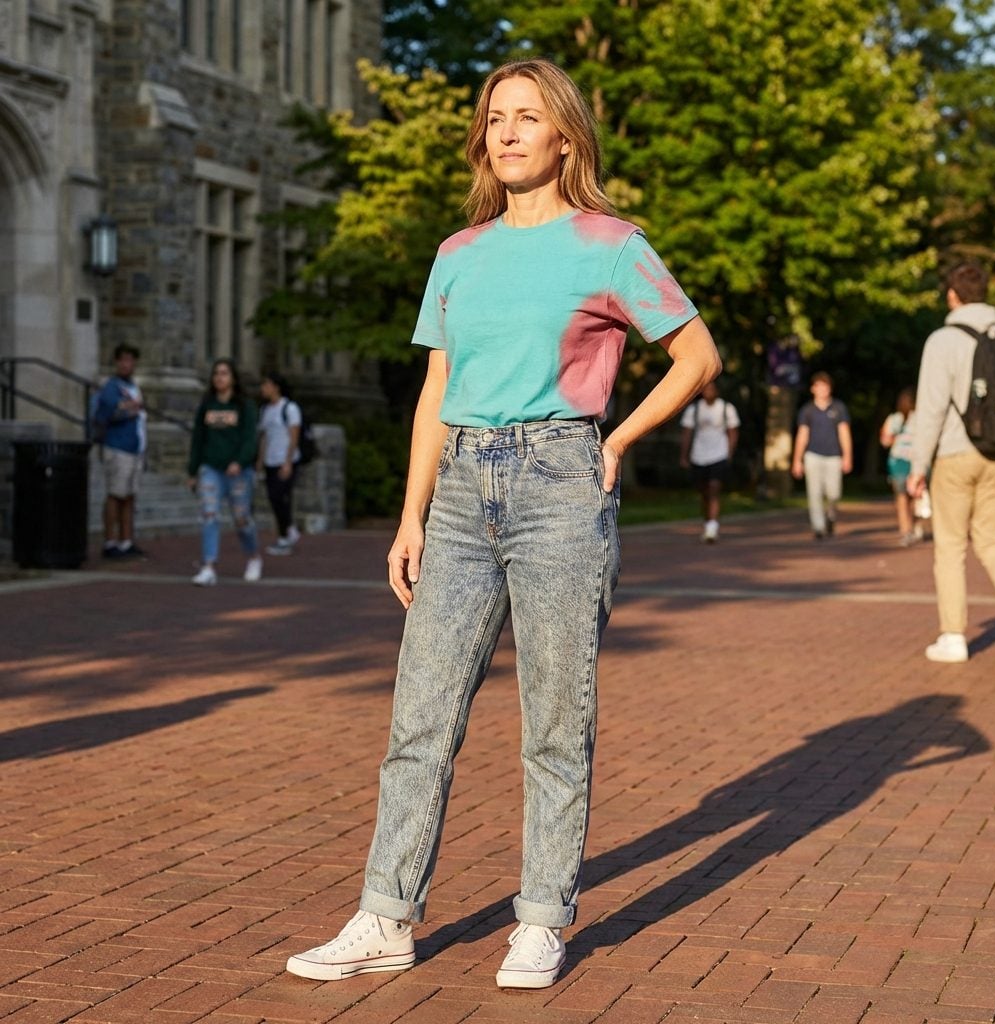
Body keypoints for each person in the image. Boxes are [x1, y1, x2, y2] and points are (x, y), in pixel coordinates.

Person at [284, 58, 721, 990]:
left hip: (561, 481)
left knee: (555, 723)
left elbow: (696, 355)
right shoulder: (459, 253)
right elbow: (435, 392)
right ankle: (386, 917)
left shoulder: (609, 244)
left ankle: (541, 920)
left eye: (528, 117)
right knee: (420, 718)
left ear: (566, 134)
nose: (509, 132)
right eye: (495, 118)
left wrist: (617, 443)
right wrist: (410, 516)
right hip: (458, 499)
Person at [907, 262, 995, 664]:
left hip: (956, 454)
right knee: (992, 538)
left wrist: (918, 465)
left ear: (952, 295)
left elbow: (932, 407)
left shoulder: (944, 339)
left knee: (951, 545)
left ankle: (953, 636)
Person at [187, 359, 262, 586]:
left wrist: (240, 461)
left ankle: (253, 557)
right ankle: (209, 566)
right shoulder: (207, 406)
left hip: (238, 472)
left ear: (233, 378)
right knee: (209, 514)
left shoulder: (245, 406)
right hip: (212, 469)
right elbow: (198, 439)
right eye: (216, 374)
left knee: (241, 519)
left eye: (225, 373)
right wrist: (192, 470)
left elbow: (250, 438)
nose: (220, 378)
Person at [93, 343, 146, 559]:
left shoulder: (134, 387)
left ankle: (127, 541)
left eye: (130, 360)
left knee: (130, 496)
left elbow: (135, 409)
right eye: (122, 360)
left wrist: (130, 407)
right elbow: (106, 414)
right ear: (116, 362)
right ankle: (110, 542)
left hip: (135, 447)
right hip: (117, 447)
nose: (126, 364)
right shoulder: (111, 387)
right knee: (115, 494)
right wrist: (127, 410)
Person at [791, 371, 853, 538]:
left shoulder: (838, 408)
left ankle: (831, 516)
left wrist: (847, 456)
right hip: (813, 456)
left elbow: (844, 433)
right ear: (813, 389)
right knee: (814, 493)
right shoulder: (807, 411)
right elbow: (802, 435)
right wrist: (797, 460)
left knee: (834, 493)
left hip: (833, 456)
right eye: (819, 386)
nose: (823, 390)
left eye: (825, 386)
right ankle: (818, 527)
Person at [679, 380, 740, 543]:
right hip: (699, 456)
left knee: (714, 488)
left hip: (719, 455)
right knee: (704, 492)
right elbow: (686, 434)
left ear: (717, 391)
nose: (708, 392)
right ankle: (707, 521)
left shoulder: (726, 408)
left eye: (711, 389)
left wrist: (730, 453)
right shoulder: (694, 410)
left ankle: (712, 528)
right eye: (705, 389)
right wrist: (684, 456)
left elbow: (733, 432)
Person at [257, 372, 302, 556]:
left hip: (286, 460)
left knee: (281, 497)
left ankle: (285, 536)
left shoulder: (289, 408)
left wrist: (288, 462)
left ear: (276, 386)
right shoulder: (265, 410)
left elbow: (294, 436)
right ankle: (288, 530)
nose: (263, 389)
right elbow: (265, 437)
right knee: (273, 498)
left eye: (266, 384)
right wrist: (260, 460)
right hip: (270, 460)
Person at [880, 388, 926, 546]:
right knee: (916, 496)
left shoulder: (894, 419)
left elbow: (885, 441)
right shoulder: (923, 418)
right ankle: (916, 527)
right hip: (917, 461)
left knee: (901, 498)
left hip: (898, 461)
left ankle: (905, 530)